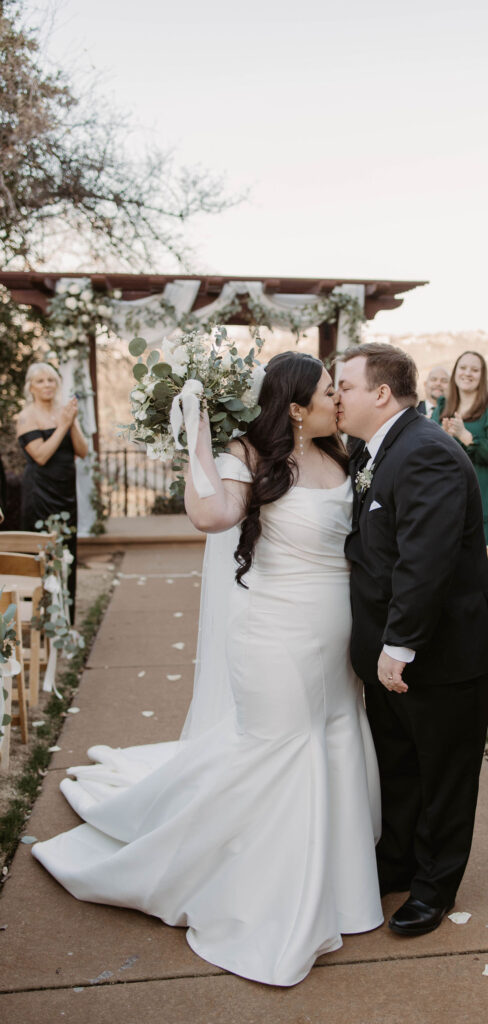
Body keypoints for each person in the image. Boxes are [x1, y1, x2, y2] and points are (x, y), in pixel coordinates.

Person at [32, 352, 383, 988]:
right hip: (273, 635)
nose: (341, 399)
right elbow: (212, 516)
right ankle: (258, 897)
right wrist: (199, 437)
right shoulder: (250, 457)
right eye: (331, 391)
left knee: (335, 740)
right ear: (296, 407)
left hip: (336, 638)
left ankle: (342, 892)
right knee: (280, 754)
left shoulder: (343, 456)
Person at [337, 342, 488, 938]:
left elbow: (424, 561)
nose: (338, 397)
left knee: (444, 772)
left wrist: (398, 645)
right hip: (393, 651)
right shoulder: (374, 449)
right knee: (401, 764)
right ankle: (401, 862)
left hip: (444, 652)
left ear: (381, 393)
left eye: (346, 387)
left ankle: (434, 888)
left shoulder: (427, 451)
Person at [16, 363, 87, 607]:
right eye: (40, 381)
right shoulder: (27, 416)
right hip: (40, 493)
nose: (47, 385)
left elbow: (83, 451)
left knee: (68, 549)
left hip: (66, 492)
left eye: (51, 380)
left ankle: (66, 616)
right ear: (31, 387)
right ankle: (43, 617)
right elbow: (41, 455)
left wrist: (73, 422)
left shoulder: (64, 412)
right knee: (42, 552)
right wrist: (63, 425)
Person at [440, 350, 488, 544]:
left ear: (482, 375)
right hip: (449, 494)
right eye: (463, 368)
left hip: (485, 496)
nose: (467, 373)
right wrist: (444, 436)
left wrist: (466, 437)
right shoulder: (444, 405)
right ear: (455, 372)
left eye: (474, 370)